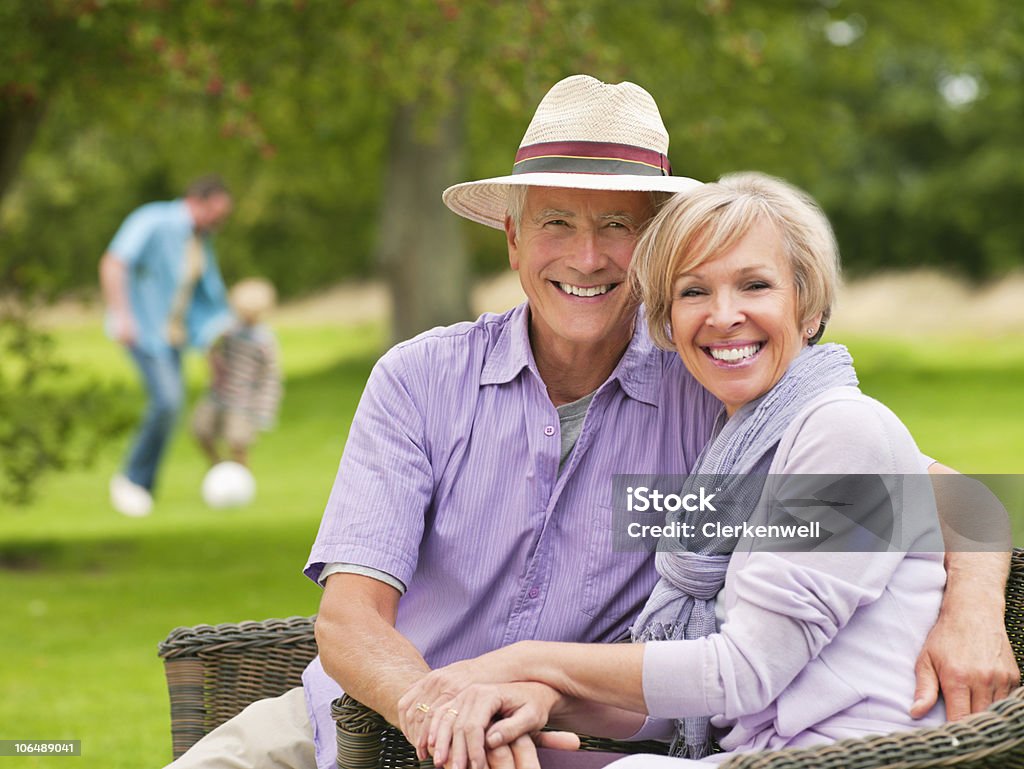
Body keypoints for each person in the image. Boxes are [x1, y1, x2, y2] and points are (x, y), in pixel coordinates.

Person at [161, 76, 1016, 769]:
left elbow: (947, 498)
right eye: (556, 224)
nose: (586, 256)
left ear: (653, 250)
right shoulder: (419, 380)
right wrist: (437, 708)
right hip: (350, 722)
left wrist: (973, 612)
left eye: (618, 226)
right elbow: (349, 620)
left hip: (568, 742)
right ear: (512, 240)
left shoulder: (712, 398)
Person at [397, 173, 955, 767]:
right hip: (763, 752)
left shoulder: (843, 431)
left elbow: (743, 672)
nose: (723, 316)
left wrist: (519, 660)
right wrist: (537, 698)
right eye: (693, 292)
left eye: (755, 286)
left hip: (866, 754)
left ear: (810, 306)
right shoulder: (735, 448)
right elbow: (691, 690)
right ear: (664, 321)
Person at [100, 175, 235, 517]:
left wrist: (213, 350)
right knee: (168, 402)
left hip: (173, 339)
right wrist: (122, 316)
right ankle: (130, 479)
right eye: (216, 214)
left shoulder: (199, 241)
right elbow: (114, 263)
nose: (219, 222)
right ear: (197, 201)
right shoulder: (153, 220)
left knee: (171, 408)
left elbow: (205, 301)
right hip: (142, 332)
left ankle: (142, 487)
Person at [193, 277, 283, 468]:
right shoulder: (228, 330)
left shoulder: (264, 340)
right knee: (200, 429)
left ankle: (241, 476)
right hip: (218, 394)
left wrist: (265, 410)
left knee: (238, 441)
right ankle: (217, 466)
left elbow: (271, 377)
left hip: (244, 402)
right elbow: (209, 346)